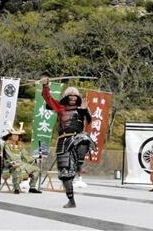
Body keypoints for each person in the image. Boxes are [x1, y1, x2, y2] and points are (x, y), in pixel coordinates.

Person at [41, 77, 93, 208]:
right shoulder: (60, 107)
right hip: (63, 140)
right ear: (66, 96)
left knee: (85, 139)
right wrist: (46, 86)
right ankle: (71, 200)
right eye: (70, 95)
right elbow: (47, 98)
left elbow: (90, 120)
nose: (73, 97)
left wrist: (85, 110)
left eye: (75, 95)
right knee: (64, 173)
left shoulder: (82, 107)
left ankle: (79, 166)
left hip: (76, 137)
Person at [2, 122, 41, 194]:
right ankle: (16, 188)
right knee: (17, 168)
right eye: (14, 135)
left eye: (18, 135)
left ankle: (32, 187)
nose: (16, 137)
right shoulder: (6, 144)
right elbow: (9, 155)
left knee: (36, 169)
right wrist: (16, 162)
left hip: (21, 164)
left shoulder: (20, 145)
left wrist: (34, 158)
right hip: (10, 164)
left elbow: (25, 155)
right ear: (10, 135)